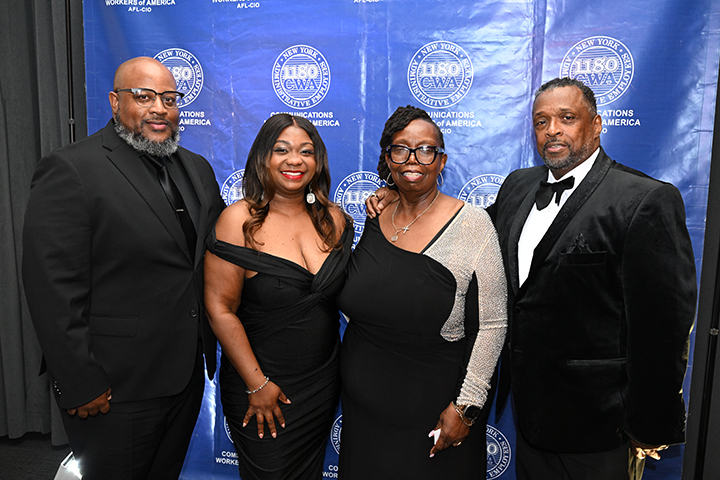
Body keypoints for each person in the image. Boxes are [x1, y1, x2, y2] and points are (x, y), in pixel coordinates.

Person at [369, 78, 697, 480]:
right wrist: (402, 197)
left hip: (602, 425)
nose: (552, 130)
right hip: (531, 417)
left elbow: (664, 325)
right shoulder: (518, 186)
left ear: (596, 125)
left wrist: (649, 423)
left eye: (567, 118)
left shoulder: (643, 198)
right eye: (541, 121)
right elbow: (461, 230)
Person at [22, 57, 225, 479]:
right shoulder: (72, 168)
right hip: (112, 386)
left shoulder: (197, 168)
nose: (159, 109)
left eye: (169, 99)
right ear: (116, 102)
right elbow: (52, 288)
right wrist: (80, 382)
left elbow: (220, 246)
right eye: (144, 97)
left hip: (183, 378)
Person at [338, 105, 507, 479]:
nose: (413, 159)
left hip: (434, 415)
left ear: (441, 160)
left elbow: (492, 325)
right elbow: (363, 297)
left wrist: (466, 408)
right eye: (401, 149)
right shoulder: (375, 215)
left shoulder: (473, 225)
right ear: (388, 159)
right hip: (363, 413)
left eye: (426, 149)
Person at [204, 114, 352, 480]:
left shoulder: (335, 220)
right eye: (281, 150)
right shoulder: (238, 220)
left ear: (318, 161)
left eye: (306, 151)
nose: (295, 160)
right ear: (263, 158)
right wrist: (257, 384)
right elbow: (220, 308)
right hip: (259, 385)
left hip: (321, 383)